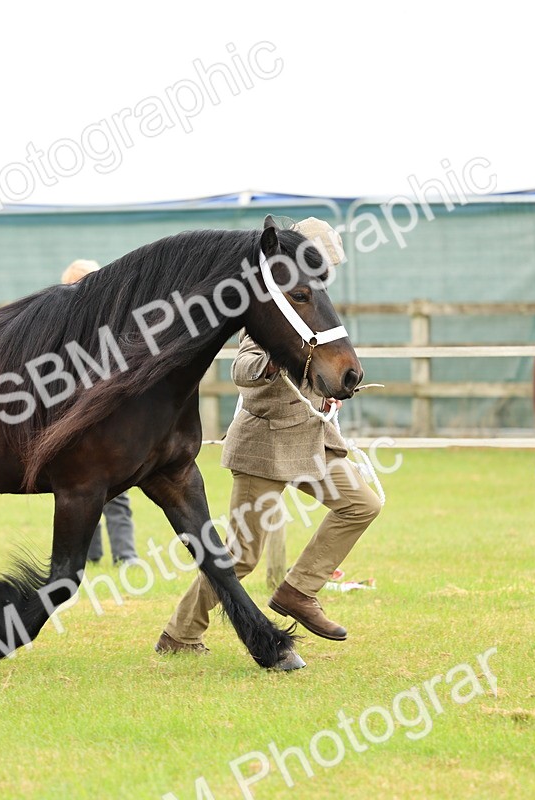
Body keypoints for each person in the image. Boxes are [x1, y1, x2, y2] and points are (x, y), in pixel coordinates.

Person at [155, 218, 381, 655]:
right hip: (266, 447)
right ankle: (180, 635)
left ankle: (298, 590)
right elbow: (242, 369)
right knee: (240, 555)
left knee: (362, 505)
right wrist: (269, 366)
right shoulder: (271, 314)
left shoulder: (312, 305)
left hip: (311, 444)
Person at [61, 258, 142, 566]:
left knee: (117, 493)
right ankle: (90, 555)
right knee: (80, 492)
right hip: (73, 424)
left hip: (108, 423)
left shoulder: (116, 326)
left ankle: (126, 554)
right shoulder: (64, 329)